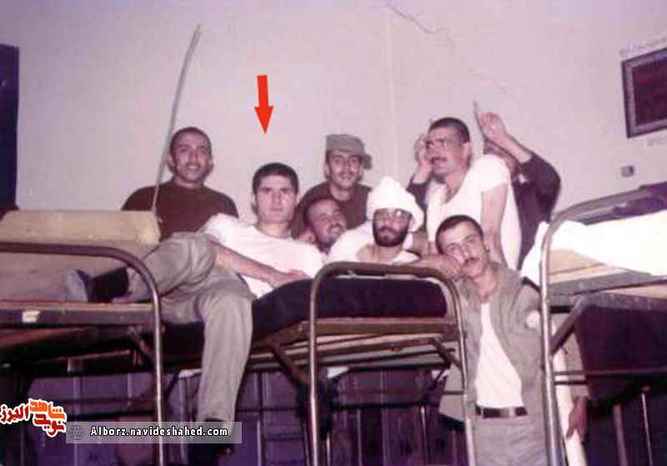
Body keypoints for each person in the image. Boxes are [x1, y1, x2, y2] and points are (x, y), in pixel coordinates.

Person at [83, 163, 322, 465]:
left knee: (234, 301)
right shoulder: (227, 224)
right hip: (181, 290)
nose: (276, 199)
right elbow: (206, 250)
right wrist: (273, 275)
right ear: (253, 199)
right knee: (198, 246)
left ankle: (210, 433)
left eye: (284, 191)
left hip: (228, 305)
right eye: (267, 191)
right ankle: (115, 285)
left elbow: (315, 307)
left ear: (296, 198)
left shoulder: (307, 255)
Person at [434, 215, 586, 466]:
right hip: (483, 430)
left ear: (485, 243)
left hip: (536, 424)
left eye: (470, 241)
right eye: (453, 248)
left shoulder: (527, 286)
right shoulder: (453, 298)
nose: (465, 252)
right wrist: (430, 262)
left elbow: (567, 339)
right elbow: (403, 290)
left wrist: (580, 400)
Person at [408, 117, 521, 269]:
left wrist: (503, 284)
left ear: (466, 149)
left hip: (494, 276)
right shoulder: (436, 199)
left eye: (443, 143)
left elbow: (490, 238)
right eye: (430, 145)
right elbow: (434, 257)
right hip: (458, 282)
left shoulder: (487, 166)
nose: (435, 152)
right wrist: (423, 168)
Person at [476, 111, 561, 267]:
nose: (497, 159)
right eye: (491, 153)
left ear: (518, 164)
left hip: (528, 277)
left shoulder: (530, 195)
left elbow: (549, 179)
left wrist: (503, 139)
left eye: (503, 153)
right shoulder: (477, 198)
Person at [122, 126, 238, 240]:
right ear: (171, 159)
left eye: (202, 151)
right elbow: (120, 246)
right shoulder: (143, 198)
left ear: (210, 161)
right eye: (184, 150)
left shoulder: (224, 204)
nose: (193, 158)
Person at [291, 133, 372, 239]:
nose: (346, 167)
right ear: (327, 168)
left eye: (353, 161)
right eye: (338, 161)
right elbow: (298, 241)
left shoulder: (373, 198)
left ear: (361, 169)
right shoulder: (313, 200)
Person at [327, 176, 423, 265]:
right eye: (382, 213)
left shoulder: (412, 265)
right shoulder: (349, 244)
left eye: (398, 215)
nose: (387, 221)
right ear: (372, 220)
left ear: (410, 223)